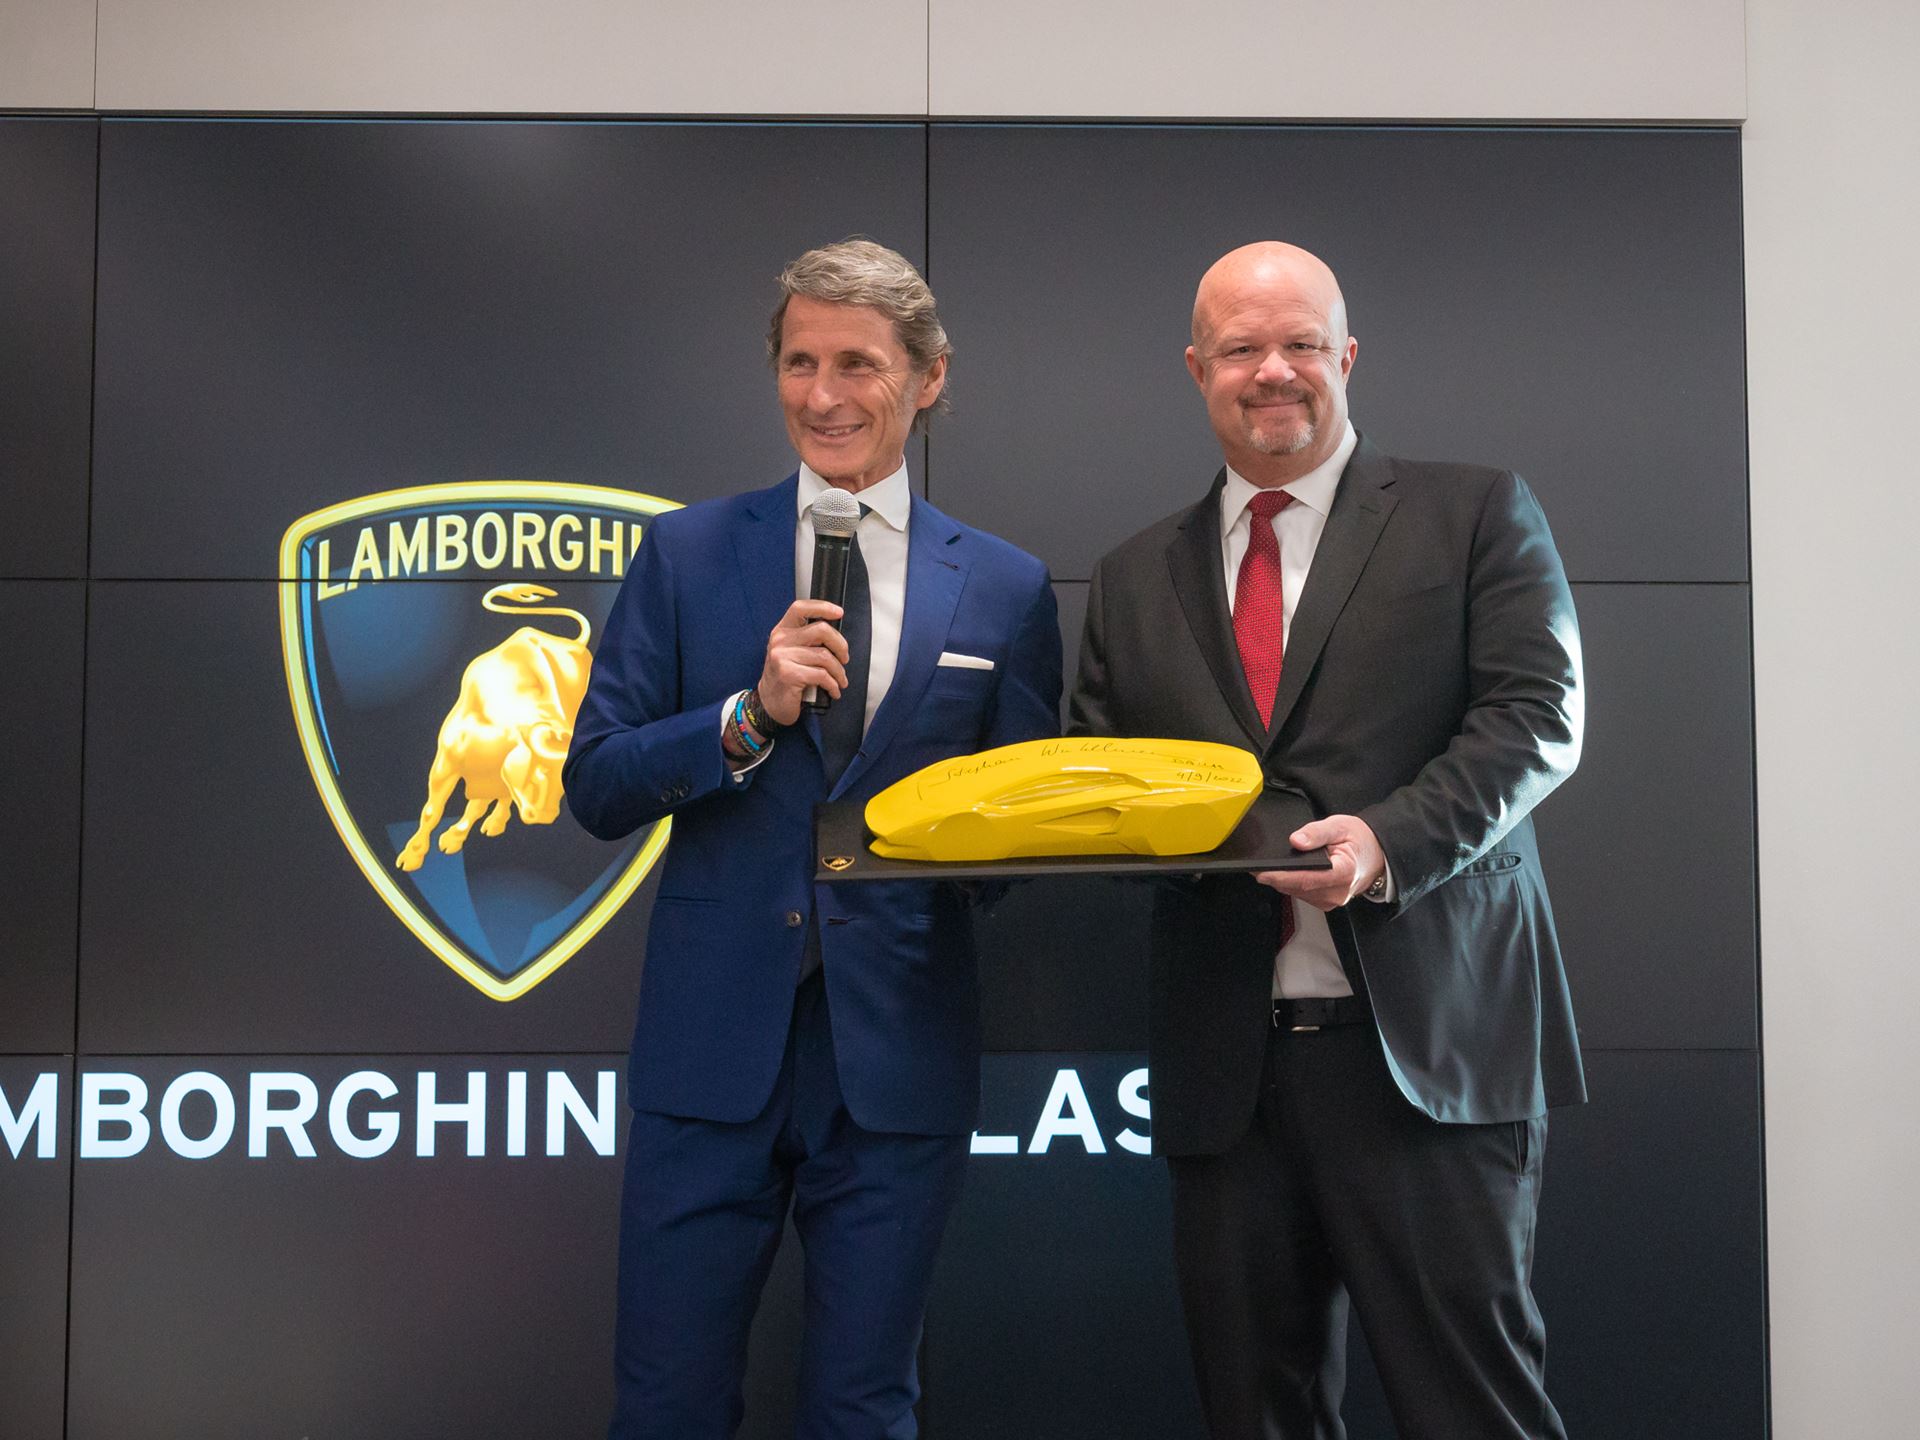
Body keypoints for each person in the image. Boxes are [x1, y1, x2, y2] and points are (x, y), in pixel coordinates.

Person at [1069, 241, 1585, 1440]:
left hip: (1425, 1057)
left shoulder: (1473, 513)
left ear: (1345, 357)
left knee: (1473, 1412)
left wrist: (1388, 842)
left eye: (1301, 342)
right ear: (1197, 369)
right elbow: (1101, 780)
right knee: (1256, 1415)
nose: (1274, 371)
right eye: (1242, 348)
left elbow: (1538, 720)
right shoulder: (1134, 574)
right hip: (1227, 1074)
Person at [565, 238, 1061, 1440]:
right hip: (710, 1054)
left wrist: (951, 844)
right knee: (667, 1404)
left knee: (864, 1406)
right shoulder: (686, 554)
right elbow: (597, 781)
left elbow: (1017, 839)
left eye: (858, 364)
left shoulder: (1005, 587)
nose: (824, 395)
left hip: (894, 1065)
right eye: (799, 362)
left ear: (929, 377)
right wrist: (747, 717)